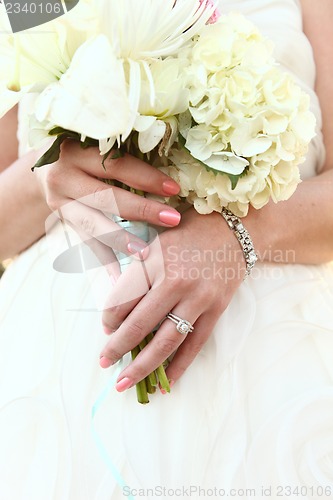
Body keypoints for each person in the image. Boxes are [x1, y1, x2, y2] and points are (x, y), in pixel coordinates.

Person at [0, 0, 333, 498]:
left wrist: (240, 235)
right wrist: (44, 173)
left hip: (268, 360)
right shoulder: (29, 6)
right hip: (59, 346)